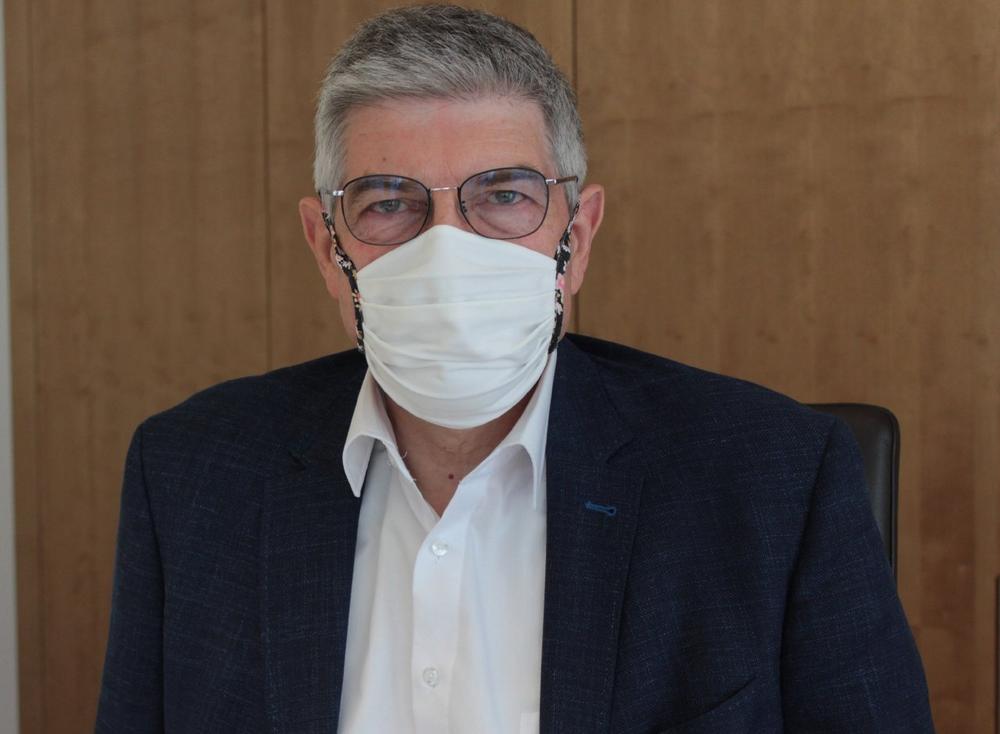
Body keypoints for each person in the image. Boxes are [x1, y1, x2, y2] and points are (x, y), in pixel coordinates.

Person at [96, 5, 934, 732]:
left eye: (504, 196)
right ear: (326, 247)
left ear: (578, 237)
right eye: (389, 202)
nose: (447, 250)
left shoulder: (772, 479)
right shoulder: (191, 475)